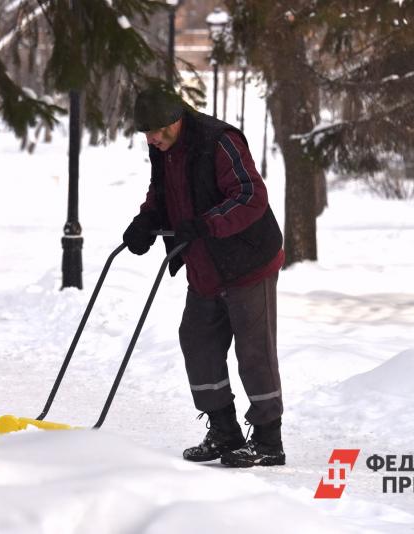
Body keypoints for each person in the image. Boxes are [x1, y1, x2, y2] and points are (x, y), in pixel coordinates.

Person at [124, 88, 285, 467]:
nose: (152, 139)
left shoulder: (220, 141)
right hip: (206, 264)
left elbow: (250, 196)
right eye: (146, 133)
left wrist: (206, 223)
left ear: (178, 119)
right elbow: (163, 192)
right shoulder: (163, 147)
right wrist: (147, 220)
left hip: (247, 261)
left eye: (159, 131)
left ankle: (267, 440)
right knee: (197, 341)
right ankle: (224, 430)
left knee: (253, 350)